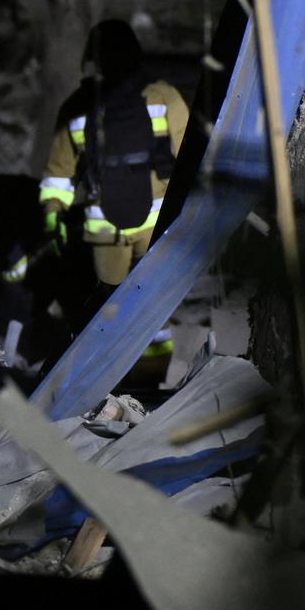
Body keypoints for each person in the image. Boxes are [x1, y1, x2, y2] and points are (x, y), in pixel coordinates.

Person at [38, 19, 189, 363]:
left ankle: (110, 378)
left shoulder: (76, 107)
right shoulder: (164, 97)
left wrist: (52, 216)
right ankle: (150, 381)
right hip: (155, 225)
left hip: (104, 231)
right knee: (152, 307)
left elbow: (58, 174)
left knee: (108, 309)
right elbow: (190, 159)